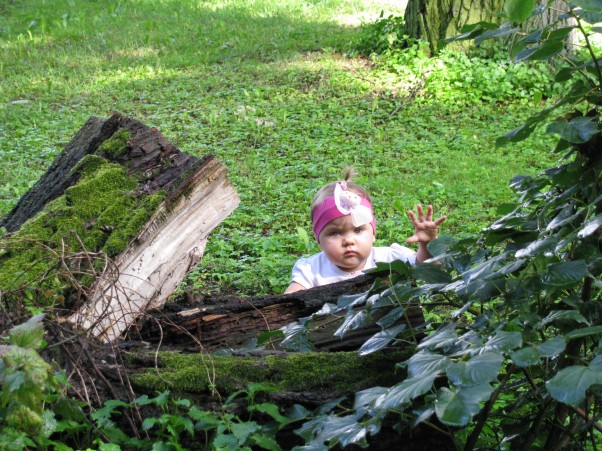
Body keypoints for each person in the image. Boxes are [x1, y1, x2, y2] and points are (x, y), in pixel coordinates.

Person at [284, 171, 447, 294]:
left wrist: (427, 245)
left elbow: (431, 271)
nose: (349, 241)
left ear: (373, 233)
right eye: (335, 233)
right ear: (318, 238)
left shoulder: (390, 259)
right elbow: (288, 306)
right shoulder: (311, 270)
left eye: (358, 230)